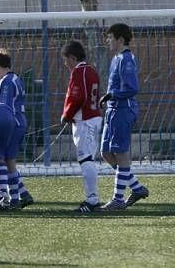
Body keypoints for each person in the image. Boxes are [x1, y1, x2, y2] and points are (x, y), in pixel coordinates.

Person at [99, 23, 149, 211]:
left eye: (110, 37)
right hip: (112, 111)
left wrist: (112, 95)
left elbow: (132, 88)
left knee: (121, 153)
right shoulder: (116, 58)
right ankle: (136, 188)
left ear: (120, 39)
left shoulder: (126, 59)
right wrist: (108, 97)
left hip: (122, 110)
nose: (107, 40)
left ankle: (118, 199)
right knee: (105, 152)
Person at [0, 49, 34, 209]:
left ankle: (3, 197)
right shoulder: (17, 79)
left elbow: (3, 107)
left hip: (10, 124)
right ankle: (19, 197)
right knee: (9, 160)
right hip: (21, 122)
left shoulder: (6, 82)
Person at [60, 40, 103, 213]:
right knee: (88, 158)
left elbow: (78, 97)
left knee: (86, 159)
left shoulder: (79, 72)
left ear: (72, 57)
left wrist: (66, 115)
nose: (65, 64)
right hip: (93, 117)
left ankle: (92, 201)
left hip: (85, 120)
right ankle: (92, 199)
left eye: (66, 59)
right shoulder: (91, 70)